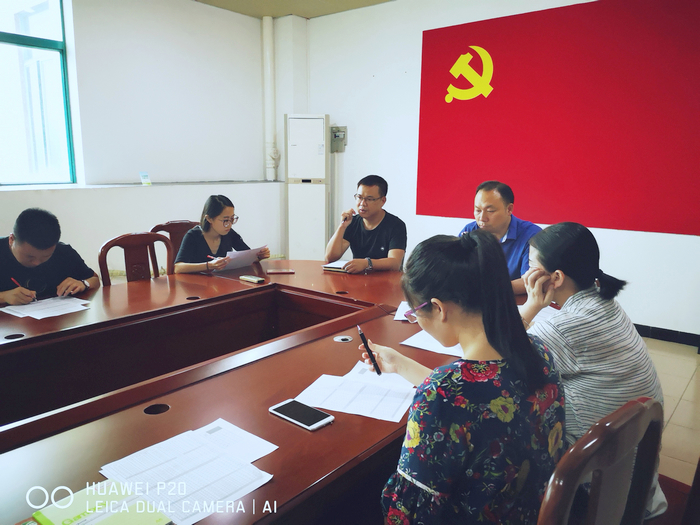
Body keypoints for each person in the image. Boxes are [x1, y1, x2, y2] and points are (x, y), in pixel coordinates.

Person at [361, 230, 566, 524]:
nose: (415, 320)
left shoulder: (442, 392)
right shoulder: (538, 351)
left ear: (439, 308)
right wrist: (399, 364)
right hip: (528, 511)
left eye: (414, 312)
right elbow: (481, 394)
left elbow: (409, 513)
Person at [519, 222, 666, 519]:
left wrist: (531, 307)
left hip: (593, 490)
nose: (525, 275)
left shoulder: (559, 329)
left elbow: (499, 366)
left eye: (531, 266)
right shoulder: (603, 300)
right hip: (634, 472)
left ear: (556, 278)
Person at [0, 208, 100, 305]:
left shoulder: (63, 252)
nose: (37, 262)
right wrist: (4, 297)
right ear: (11, 239)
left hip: (57, 314)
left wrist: (83, 283)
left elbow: (94, 279)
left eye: (46, 256)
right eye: (29, 257)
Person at [459, 181, 540, 295]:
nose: (482, 218)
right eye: (478, 210)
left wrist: (489, 289)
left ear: (509, 209)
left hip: (514, 301)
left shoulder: (532, 235)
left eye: (490, 211)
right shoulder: (470, 230)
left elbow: (531, 280)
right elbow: (454, 270)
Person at [324, 175, 406, 273]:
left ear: (382, 201)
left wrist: (367, 263)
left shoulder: (396, 225)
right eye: (359, 197)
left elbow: (395, 263)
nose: (362, 203)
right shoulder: (352, 222)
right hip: (358, 279)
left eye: (369, 199)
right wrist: (342, 226)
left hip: (386, 280)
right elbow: (330, 257)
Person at [174, 195, 270, 273]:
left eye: (232, 219)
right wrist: (208, 265)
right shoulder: (193, 236)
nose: (229, 224)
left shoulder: (229, 234)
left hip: (222, 283)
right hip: (197, 285)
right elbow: (178, 268)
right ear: (209, 219)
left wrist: (259, 256)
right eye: (225, 220)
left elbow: (247, 256)